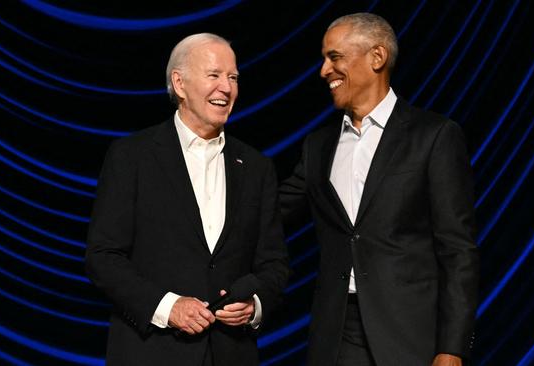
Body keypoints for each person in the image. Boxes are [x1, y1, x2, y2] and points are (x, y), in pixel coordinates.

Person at [280, 13, 479, 366]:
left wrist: (452, 348)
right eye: (325, 59)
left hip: (411, 336)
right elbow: (271, 213)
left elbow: (457, 250)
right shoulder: (318, 146)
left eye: (335, 57)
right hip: (337, 333)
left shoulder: (432, 136)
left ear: (377, 57)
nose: (324, 71)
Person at [86, 33, 289, 366]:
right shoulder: (131, 157)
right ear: (179, 84)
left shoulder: (256, 167)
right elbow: (103, 257)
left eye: (234, 77)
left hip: (231, 353)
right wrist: (168, 307)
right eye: (214, 75)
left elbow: (274, 264)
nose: (227, 87)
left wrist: (255, 302)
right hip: (151, 352)